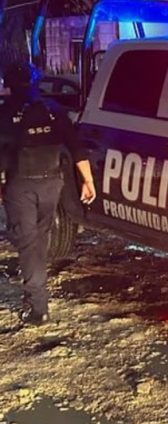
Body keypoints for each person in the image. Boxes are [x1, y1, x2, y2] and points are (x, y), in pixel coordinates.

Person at [0, 62, 96, 325]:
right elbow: (76, 147)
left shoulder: (4, 113)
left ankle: (38, 306)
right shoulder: (54, 110)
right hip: (52, 184)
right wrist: (87, 181)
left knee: (28, 243)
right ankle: (35, 283)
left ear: (9, 85)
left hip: (21, 186)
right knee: (39, 239)